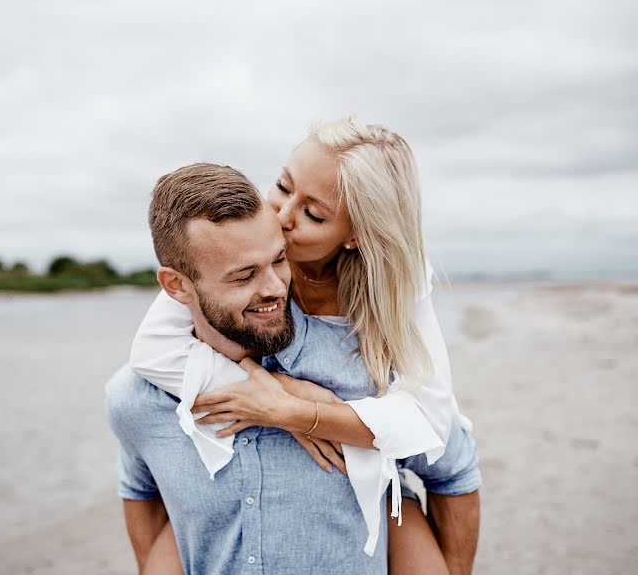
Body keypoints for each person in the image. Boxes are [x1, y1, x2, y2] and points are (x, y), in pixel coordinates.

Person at [126, 117, 480, 574]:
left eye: (313, 214)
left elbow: (431, 422)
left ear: (358, 234)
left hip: (373, 494)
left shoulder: (394, 281)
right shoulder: (240, 251)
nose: (280, 216)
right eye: (282, 185)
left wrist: (296, 413)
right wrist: (275, 388)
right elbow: (153, 350)